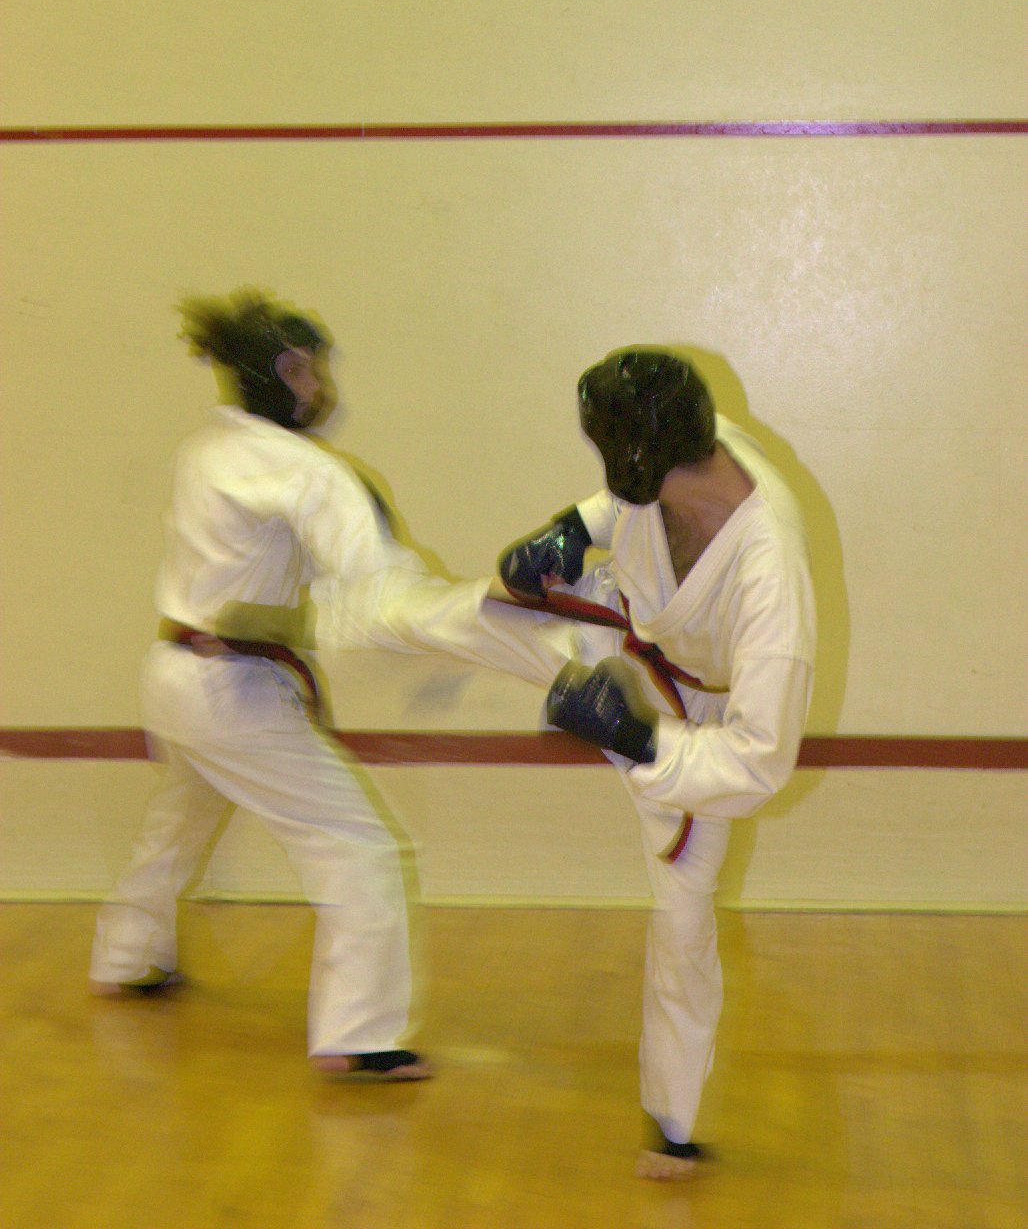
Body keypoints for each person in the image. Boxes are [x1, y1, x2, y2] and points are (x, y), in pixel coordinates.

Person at [321, 347, 816, 1176]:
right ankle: (335, 613)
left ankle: (674, 1125)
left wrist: (637, 736)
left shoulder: (771, 574)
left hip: (692, 727)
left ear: (642, 455)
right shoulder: (702, 437)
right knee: (471, 611)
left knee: (683, 919)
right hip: (617, 630)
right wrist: (574, 529)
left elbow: (760, 762)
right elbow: (620, 502)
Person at [89, 290, 432, 1080]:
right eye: (301, 370)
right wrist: (469, 619)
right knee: (358, 848)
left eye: (317, 368)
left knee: (177, 822)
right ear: (266, 374)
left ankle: (125, 956)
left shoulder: (204, 448)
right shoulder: (310, 472)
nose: (317, 387)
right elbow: (378, 590)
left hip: (171, 676)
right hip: (230, 691)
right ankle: (360, 1035)